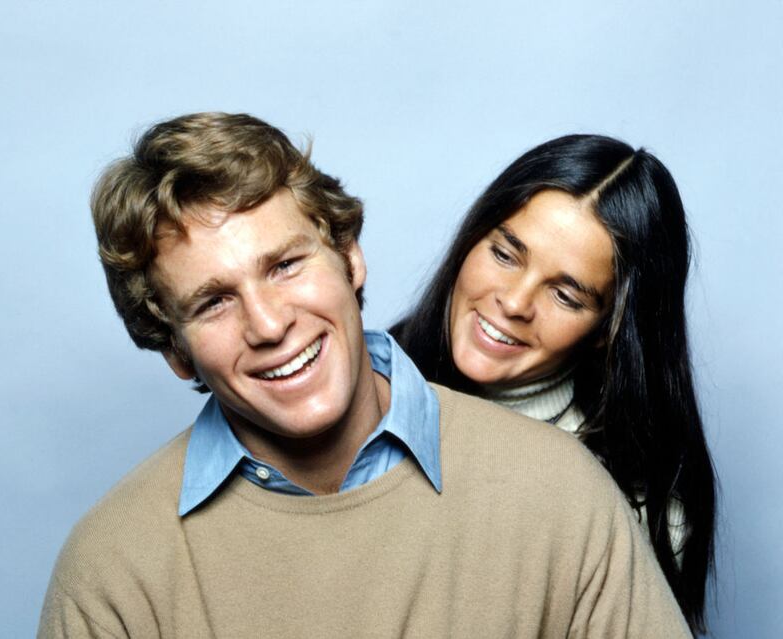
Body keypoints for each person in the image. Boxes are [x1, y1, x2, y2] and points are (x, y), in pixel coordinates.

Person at [39, 115, 692, 637]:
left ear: (351, 258)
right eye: (213, 301)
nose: (268, 323)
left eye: (285, 265)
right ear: (176, 351)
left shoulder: (570, 492)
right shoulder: (111, 570)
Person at [390, 134, 716, 633]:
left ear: (609, 330)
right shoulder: (364, 383)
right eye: (505, 255)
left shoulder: (634, 500)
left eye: (565, 295)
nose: (514, 302)